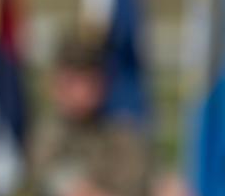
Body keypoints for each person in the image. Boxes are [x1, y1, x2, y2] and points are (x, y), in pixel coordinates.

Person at [26, 30, 149, 196]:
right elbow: (57, 182)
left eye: (89, 82)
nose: (81, 93)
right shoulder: (46, 137)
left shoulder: (123, 135)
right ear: (56, 85)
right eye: (72, 83)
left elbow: (141, 182)